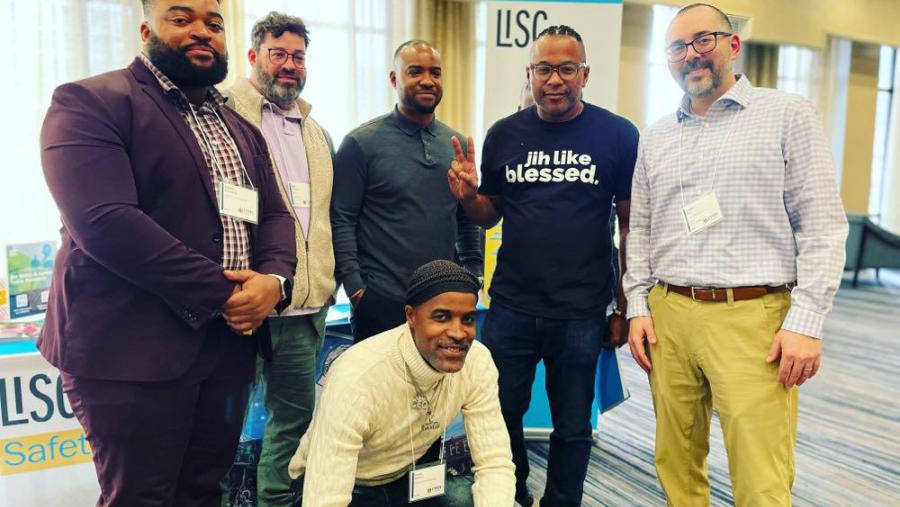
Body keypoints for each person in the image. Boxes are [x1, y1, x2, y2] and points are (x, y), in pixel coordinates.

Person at [38, 1, 296, 505]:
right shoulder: (89, 102)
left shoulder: (236, 124)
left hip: (226, 349)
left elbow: (277, 216)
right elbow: (105, 222)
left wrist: (274, 281)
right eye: (182, 19)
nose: (202, 31)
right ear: (145, 29)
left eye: (214, 23)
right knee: (141, 497)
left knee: (204, 490)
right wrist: (227, 294)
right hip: (130, 350)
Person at [623, 4, 848, 506]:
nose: (691, 55)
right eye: (677, 47)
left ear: (732, 44)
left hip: (753, 319)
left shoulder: (787, 114)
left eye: (703, 40)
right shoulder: (657, 135)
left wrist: (807, 321)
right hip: (670, 315)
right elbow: (640, 229)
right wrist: (638, 304)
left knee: (758, 469)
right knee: (675, 463)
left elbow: (822, 226)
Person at [448, 25, 638, 506]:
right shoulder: (505, 133)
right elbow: (489, 214)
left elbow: (629, 227)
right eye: (544, 69)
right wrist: (470, 197)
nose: (555, 79)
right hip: (512, 306)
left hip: (581, 309)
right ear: (530, 74)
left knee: (573, 426)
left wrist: (624, 307)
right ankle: (513, 491)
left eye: (566, 69)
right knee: (498, 414)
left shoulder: (617, 135)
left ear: (585, 74)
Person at [288, 260, 515, 506]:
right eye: (442, 317)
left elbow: (494, 461)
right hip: (344, 484)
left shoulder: (477, 361)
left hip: (406, 479)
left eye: (468, 319)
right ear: (411, 316)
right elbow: (325, 498)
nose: (458, 333)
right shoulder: (359, 375)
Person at [224, 12, 336, 506]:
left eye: (297, 57)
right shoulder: (222, 115)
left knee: (291, 430)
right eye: (278, 53)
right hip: (237, 309)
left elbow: (325, 219)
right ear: (254, 56)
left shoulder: (316, 132)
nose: (289, 65)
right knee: (218, 430)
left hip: (303, 311)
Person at [331, 40, 483, 343]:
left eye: (435, 73)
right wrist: (356, 289)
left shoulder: (456, 144)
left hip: (443, 301)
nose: (427, 80)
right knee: (379, 391)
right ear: (393, 79)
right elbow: (341, 218)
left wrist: (473, 275)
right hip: (380, 301)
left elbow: (468, 217)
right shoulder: (361, 143)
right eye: (415, 72)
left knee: (439, 390)